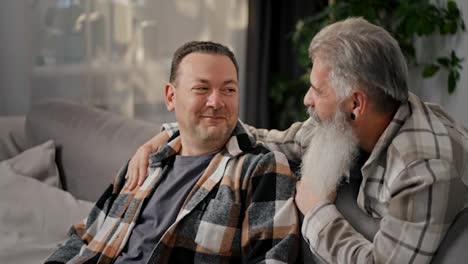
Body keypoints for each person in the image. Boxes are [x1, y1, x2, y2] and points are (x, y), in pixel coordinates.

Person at [125, 18, 468, 263]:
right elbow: (269, 139)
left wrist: (317, 209)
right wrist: (169, 134)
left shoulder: (424, 168)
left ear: (356, 103)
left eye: (317, 91)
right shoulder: (341, 123)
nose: (306, 99)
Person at [45, 41, 299, 263]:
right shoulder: (147, 160)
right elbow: (87, 234)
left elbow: (271, 259)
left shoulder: (261, 168)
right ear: (170, 96)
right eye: (202, 88)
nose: (217, 101)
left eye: (229, 90)